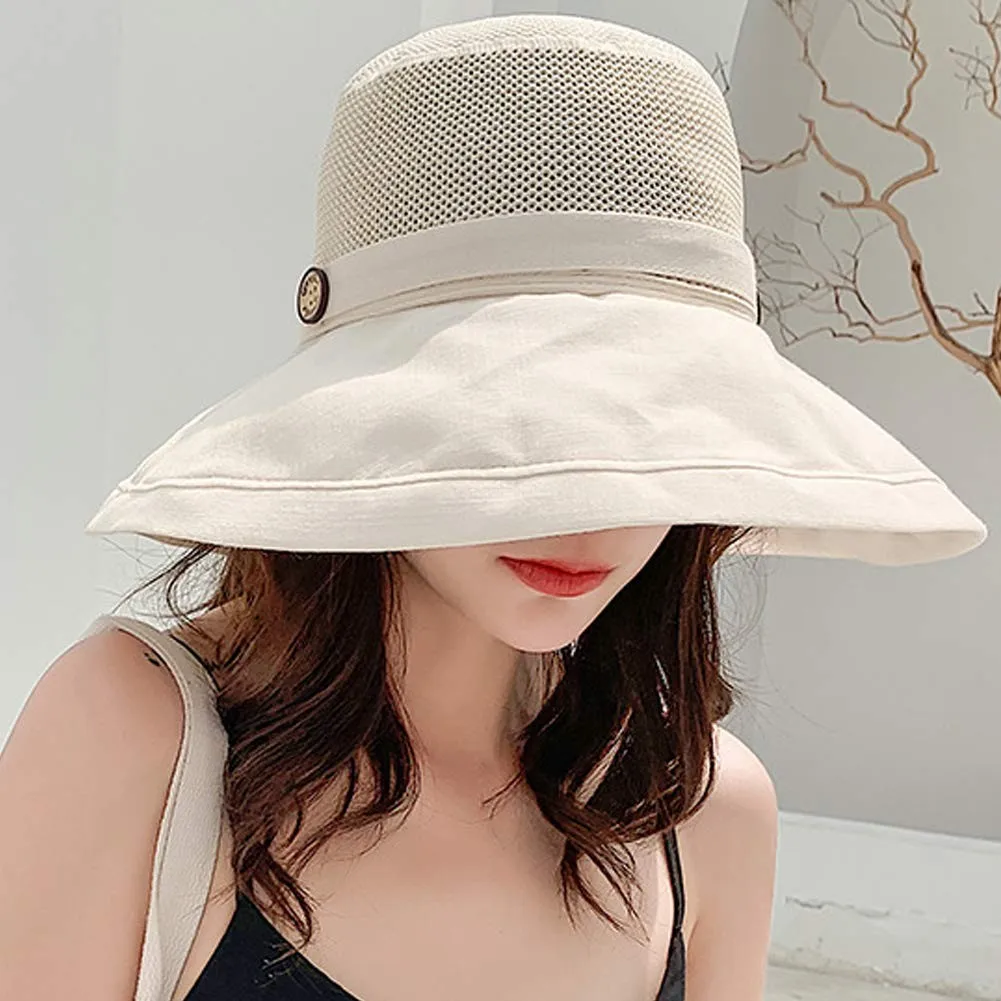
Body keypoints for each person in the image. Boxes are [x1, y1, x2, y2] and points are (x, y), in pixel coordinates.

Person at [0, 13, 985, 1001]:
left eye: (647, 424)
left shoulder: (704, 811)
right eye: (518, 421)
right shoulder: (134, 736)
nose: (587, 505)